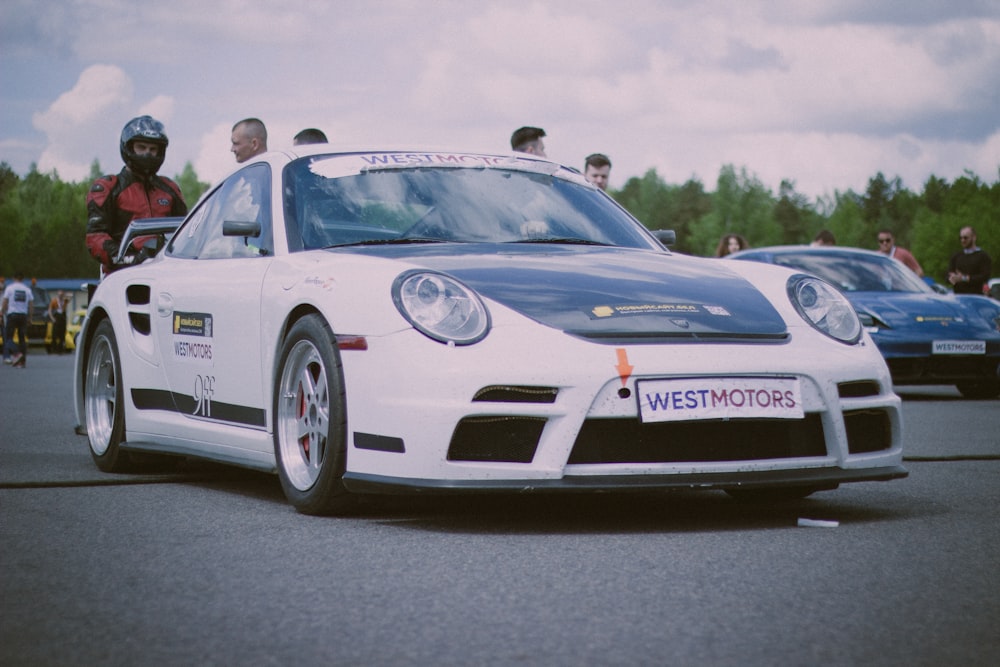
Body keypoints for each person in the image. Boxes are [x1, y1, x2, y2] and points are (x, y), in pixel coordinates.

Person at [86, 116, 188, 274]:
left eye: (153, 149)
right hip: (121, 273)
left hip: (165, 271)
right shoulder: (108, 187)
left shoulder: (170, 188)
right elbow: (95, 236)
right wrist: (128, 258)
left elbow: (187, 233)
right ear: (128, 148)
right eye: (141, 147)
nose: (148, 154)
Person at [947, 226, 992, 294]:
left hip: (976, 297)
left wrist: (964, 278)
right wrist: (952, 277)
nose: (962, 240)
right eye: (961, 238)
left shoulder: (983, 256)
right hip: (958, 297)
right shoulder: (956, 256)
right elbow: (948, 274)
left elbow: (985, 276)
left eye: (965, 238)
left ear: (974, 238)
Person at [2, 271, 33, 368]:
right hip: (23, 315)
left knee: (8, 338)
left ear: (13, 278)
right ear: (22, 279)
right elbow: (31, 304)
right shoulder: (27, 289)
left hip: (12, 314)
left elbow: (5, 302)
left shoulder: (10, 288)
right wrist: (30, 317)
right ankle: (22, 362)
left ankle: (17, 353)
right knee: (22, 338)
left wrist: (1, 313)